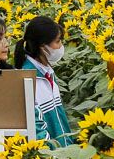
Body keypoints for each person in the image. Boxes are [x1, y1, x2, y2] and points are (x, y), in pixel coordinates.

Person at [16, 16, 73, 146]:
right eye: (58, 41)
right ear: (43, 46)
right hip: (51, 158)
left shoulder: (47, 72)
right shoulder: (27, 79)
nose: (61, 46)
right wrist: (55, 154)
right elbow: (36, 128)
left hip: (64, 152)